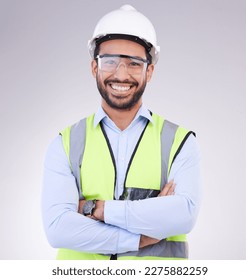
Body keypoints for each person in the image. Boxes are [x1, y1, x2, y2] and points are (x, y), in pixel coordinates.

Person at [41, 4, 201, 260]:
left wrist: (96, 209)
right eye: (110, 62)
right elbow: (57, 230)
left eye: (134, 63)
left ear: (149, 71)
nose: (121, 74)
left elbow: (184, 216)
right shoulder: (66, 143)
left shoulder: (179, 142)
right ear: (95, 67)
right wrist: (140, 235)